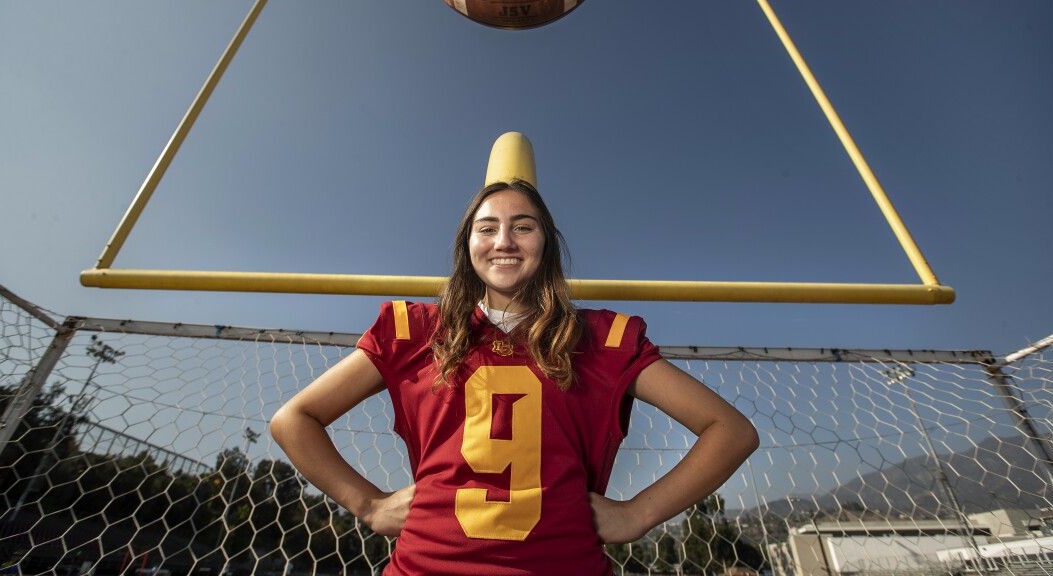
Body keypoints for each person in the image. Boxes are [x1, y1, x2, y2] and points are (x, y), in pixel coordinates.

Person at [271, 179, 759, 575]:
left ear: (546, 244)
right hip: (426, 565)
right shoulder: (416, 332)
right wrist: (370, 505)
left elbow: (731, 431)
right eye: (487, 228)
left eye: (522, 227)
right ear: (468, 245)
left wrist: (638, 513)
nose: (503, 241)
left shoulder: (601, 338)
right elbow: (294, 418)